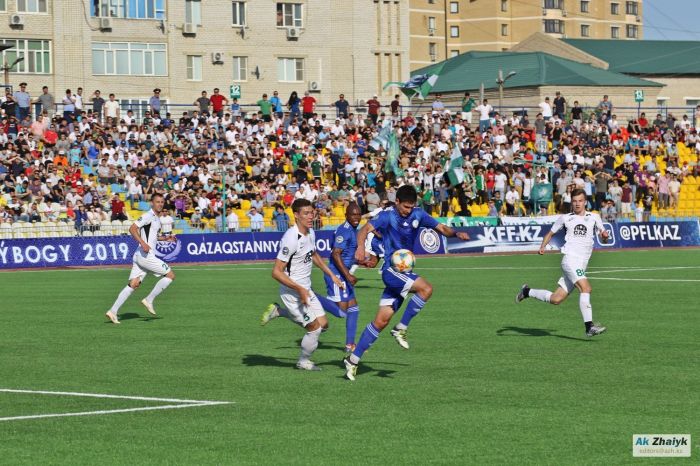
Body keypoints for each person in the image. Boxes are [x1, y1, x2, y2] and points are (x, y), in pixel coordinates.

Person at [343, 185, 470, 381]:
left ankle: (352, 360)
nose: (408, 211)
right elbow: (363, 230)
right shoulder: (386, 216)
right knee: (426, 289)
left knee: (380, 322)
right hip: (391, 271)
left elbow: (441, 228)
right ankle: (401, 328)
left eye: (412, 207)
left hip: (403, 272)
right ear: (397, 203)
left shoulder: (418, 215)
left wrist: (456, 234)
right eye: (406, 207)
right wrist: (360, 247)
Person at [260, 198, 346, 371]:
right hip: (292, 292)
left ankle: (279, 312)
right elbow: (276, 272)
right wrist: (299, 289)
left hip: (306, 290)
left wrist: (332, 275)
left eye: (312, 212)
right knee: (314, 329)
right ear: (296, 215)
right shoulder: (291, 239)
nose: (310, 215)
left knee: (324, 325)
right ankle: (303, 361)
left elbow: (314, 255)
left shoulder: (310, 232)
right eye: (306, 213)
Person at [515, 188, 609, 337]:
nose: (577, 204)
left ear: (585, 202)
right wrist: (542, 246)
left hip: (581, 264)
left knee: (556, 299)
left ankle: (527, 291)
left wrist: (605, 236)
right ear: (571, 202)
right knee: (586, 288)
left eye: (580, 201)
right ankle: (589, 326)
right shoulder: (566, 218)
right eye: (574, 201)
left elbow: (604, 237)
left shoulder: (594, 217)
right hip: (571, 260)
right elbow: (550, 233)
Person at [105, 193, 176, 324]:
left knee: (134, 283)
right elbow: (132, 228)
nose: (160, 204)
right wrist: (143, 243)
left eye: (162, 202)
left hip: (140, 255)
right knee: (170, 275)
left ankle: (112, 311)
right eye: (157, 202)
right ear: (152, 203)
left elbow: (153, 237)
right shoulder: (148, 216)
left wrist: (165, 238)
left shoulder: (156, 219)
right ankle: (149, 299)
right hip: (145, 255)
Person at [323, 203, 363, 353]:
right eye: (353, 215)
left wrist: (361, 261)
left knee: (354, 308)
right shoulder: (344, 230)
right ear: (346, 215)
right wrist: (348, 275)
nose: (356, 218)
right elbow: (336, 254)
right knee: (342, 312)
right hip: (337, 274)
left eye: (358, 214)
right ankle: (312, 296)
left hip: (344, 273)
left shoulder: (353, 230)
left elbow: (347, 255)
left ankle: (350, 345)